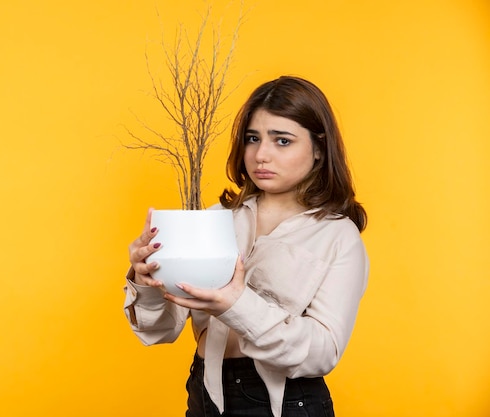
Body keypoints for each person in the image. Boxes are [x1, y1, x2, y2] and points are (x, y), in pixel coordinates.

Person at [123, 75, 369, 417]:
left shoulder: (337, 236)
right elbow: (159, 330)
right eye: (253, 138)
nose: (261, 155)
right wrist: (144, 277)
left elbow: (322, 352)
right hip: (205, 392)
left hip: (286, 402)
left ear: (318, 148)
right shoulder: (216, 218)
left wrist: (236, 304)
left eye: (282, 141)